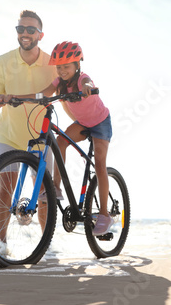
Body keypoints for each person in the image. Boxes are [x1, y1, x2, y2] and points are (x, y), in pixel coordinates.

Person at [0, 10, 58, 245]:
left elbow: (63, 86)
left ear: (40, 34)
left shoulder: (51, 63)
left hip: (41, 136)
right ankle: (1, 245)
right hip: (9, 135)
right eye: (20, 29)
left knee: (44, 195)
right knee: (4, 191)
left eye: (30, 29)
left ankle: (46, 247)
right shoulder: (2, 62)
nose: (25, 34)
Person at [42, 41, 113, 236]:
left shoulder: (83, 78)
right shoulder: (59, 82)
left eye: (66, 66)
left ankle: (105, 215)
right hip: (82, 123)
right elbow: (46, 91)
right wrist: (32, 98)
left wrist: (88, 87)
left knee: (99, 164)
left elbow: (86, 83)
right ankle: (56, 188)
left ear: (77, 65)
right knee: (60, 142)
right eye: (59, 67)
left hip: (100, 123)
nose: (62, 71)